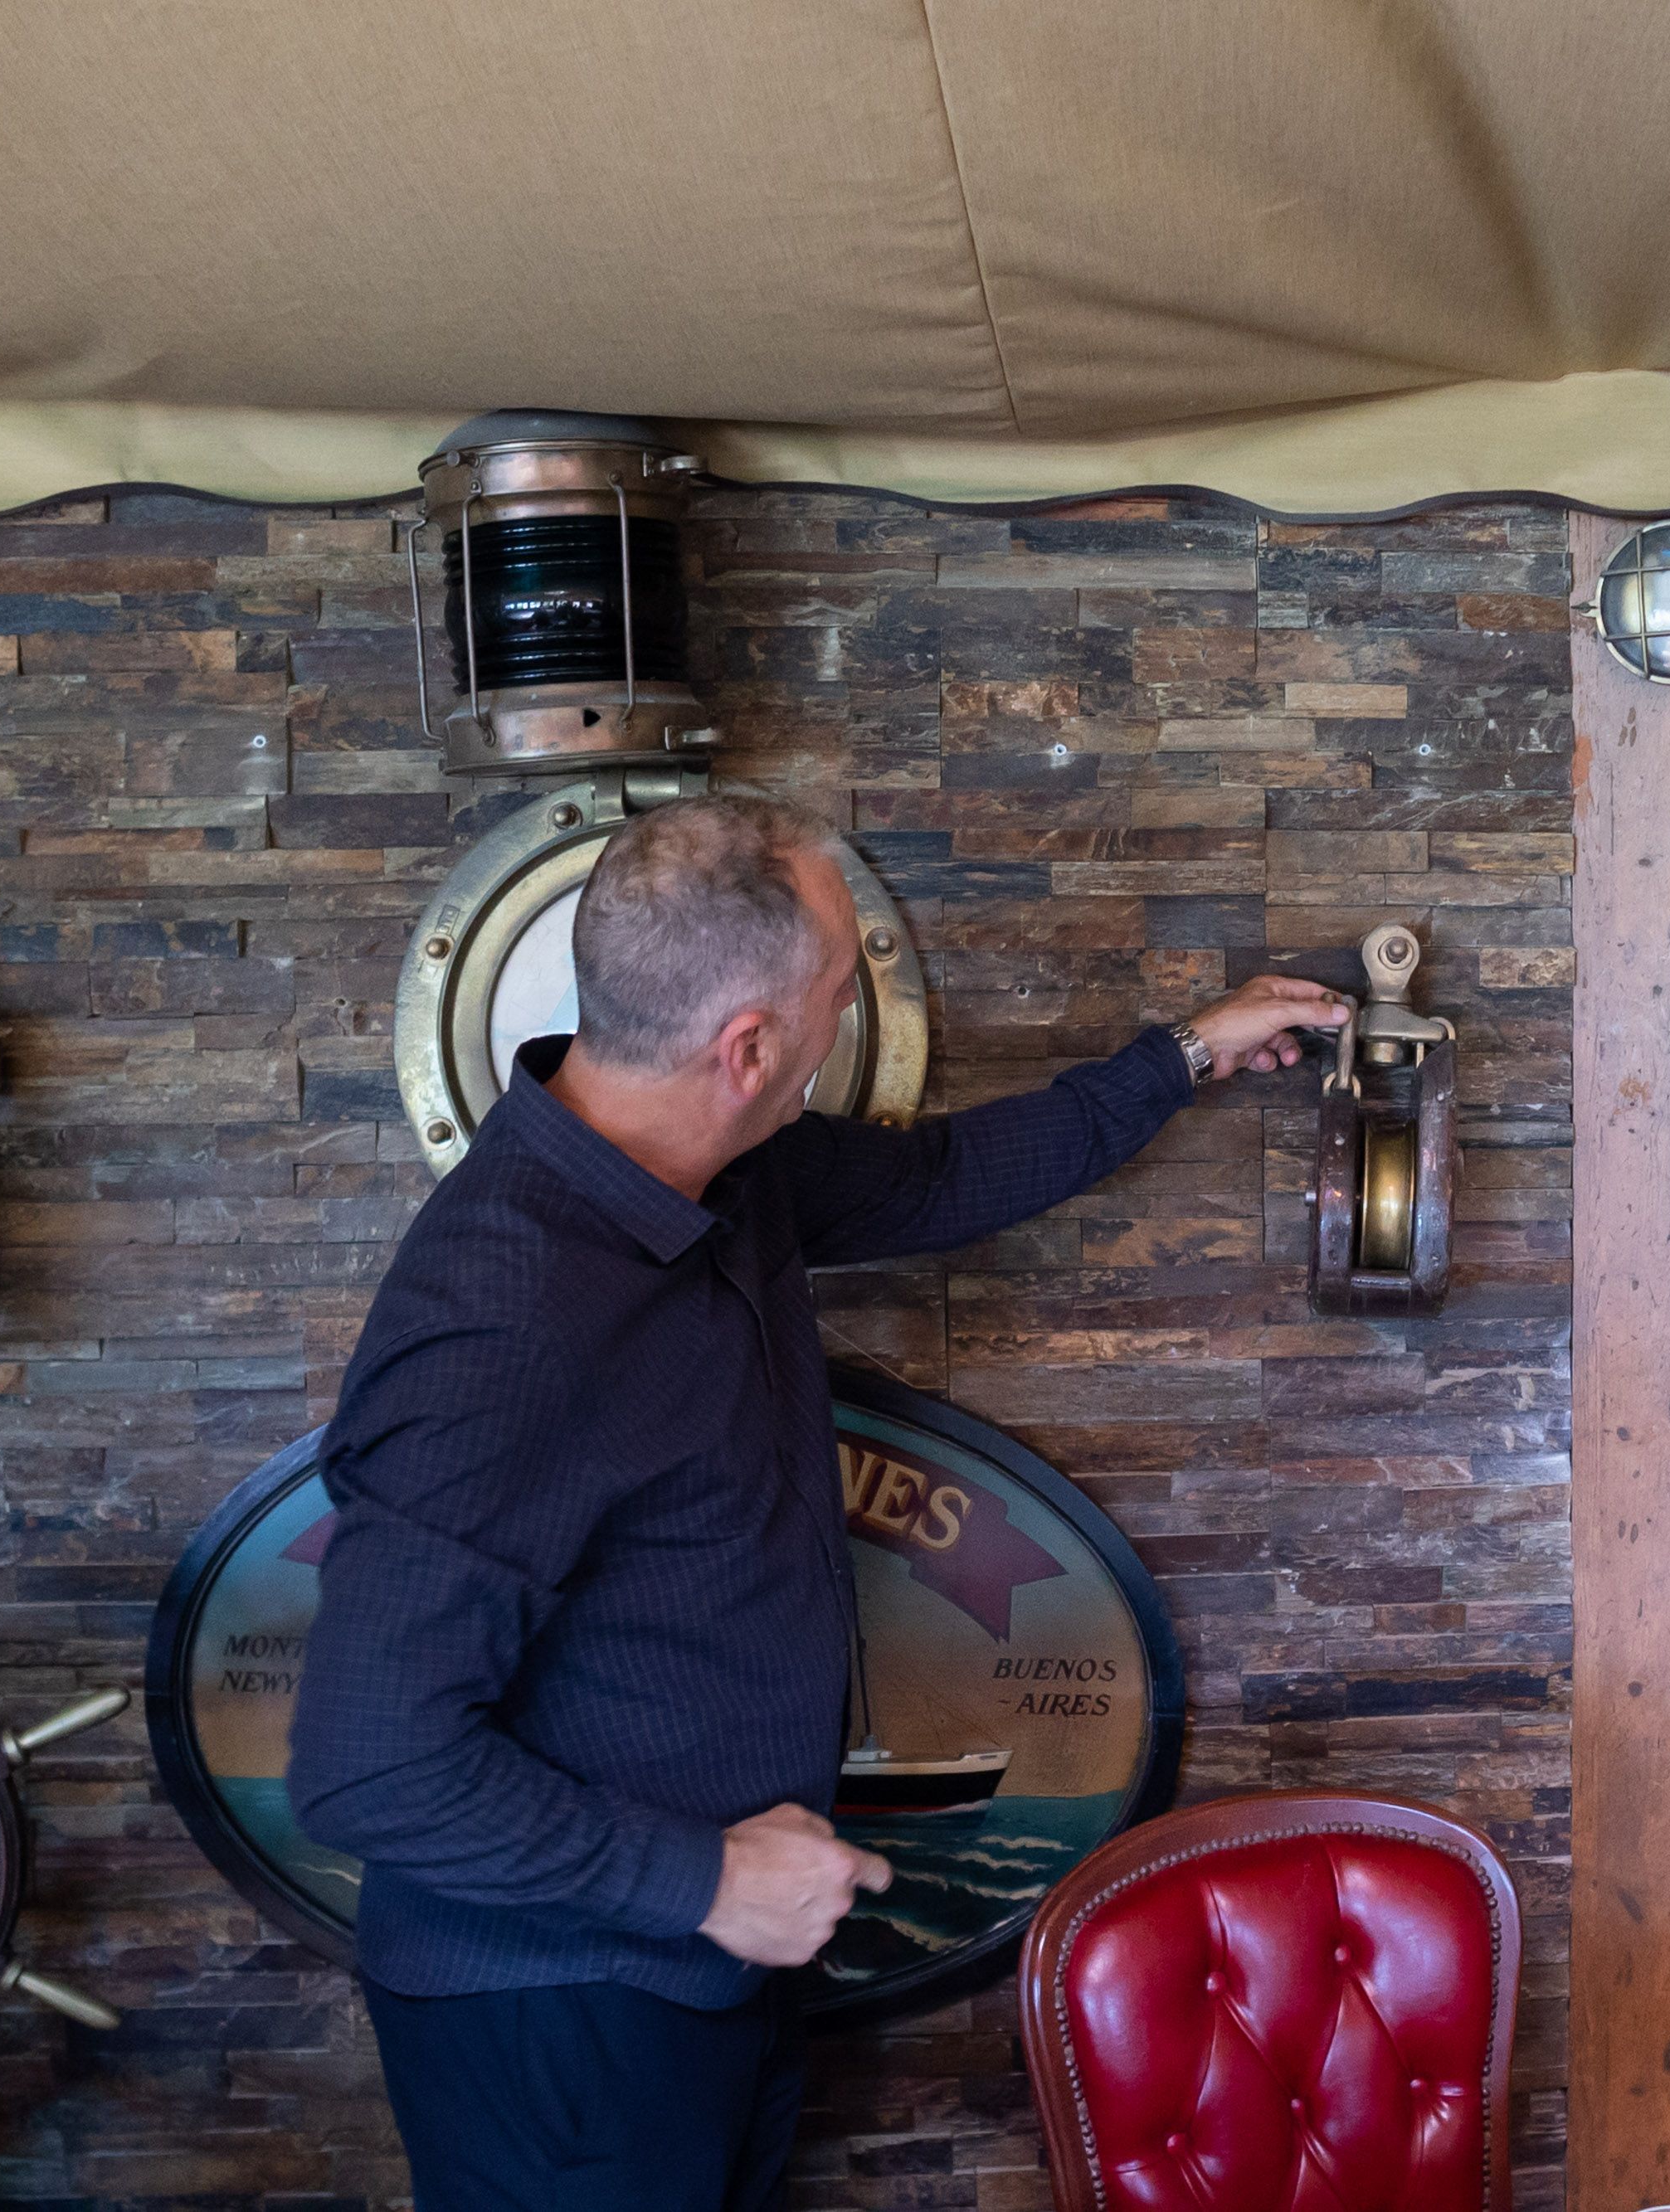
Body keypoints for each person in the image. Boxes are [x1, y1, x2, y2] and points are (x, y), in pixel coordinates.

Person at [287, 795, 1348, 2211]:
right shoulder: (503, 1319)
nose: (847, 1021)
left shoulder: (720, 1172)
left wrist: (1184, 1058)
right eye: (840, 995)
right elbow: (369, 1766)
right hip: (554, 2012)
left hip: (709, 1968)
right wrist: (702, 1883)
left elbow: (949, 1174)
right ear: (749, 1049)